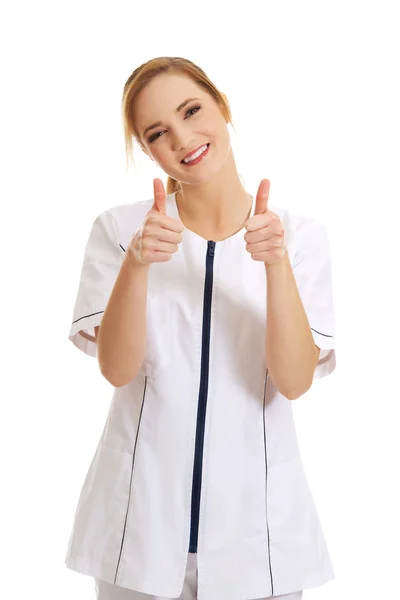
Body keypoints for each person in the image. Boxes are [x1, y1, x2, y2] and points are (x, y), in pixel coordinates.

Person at [64, 57, 337, 600]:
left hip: (259, 540)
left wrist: (276, 264)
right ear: (147, 151)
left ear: (222, 106)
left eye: (192, 111)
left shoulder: (300, 238)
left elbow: (294, 382)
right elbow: (116, 370)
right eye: (158, 133)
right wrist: (137, 264)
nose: (183, 138)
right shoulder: (120, 232)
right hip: (137, 532)